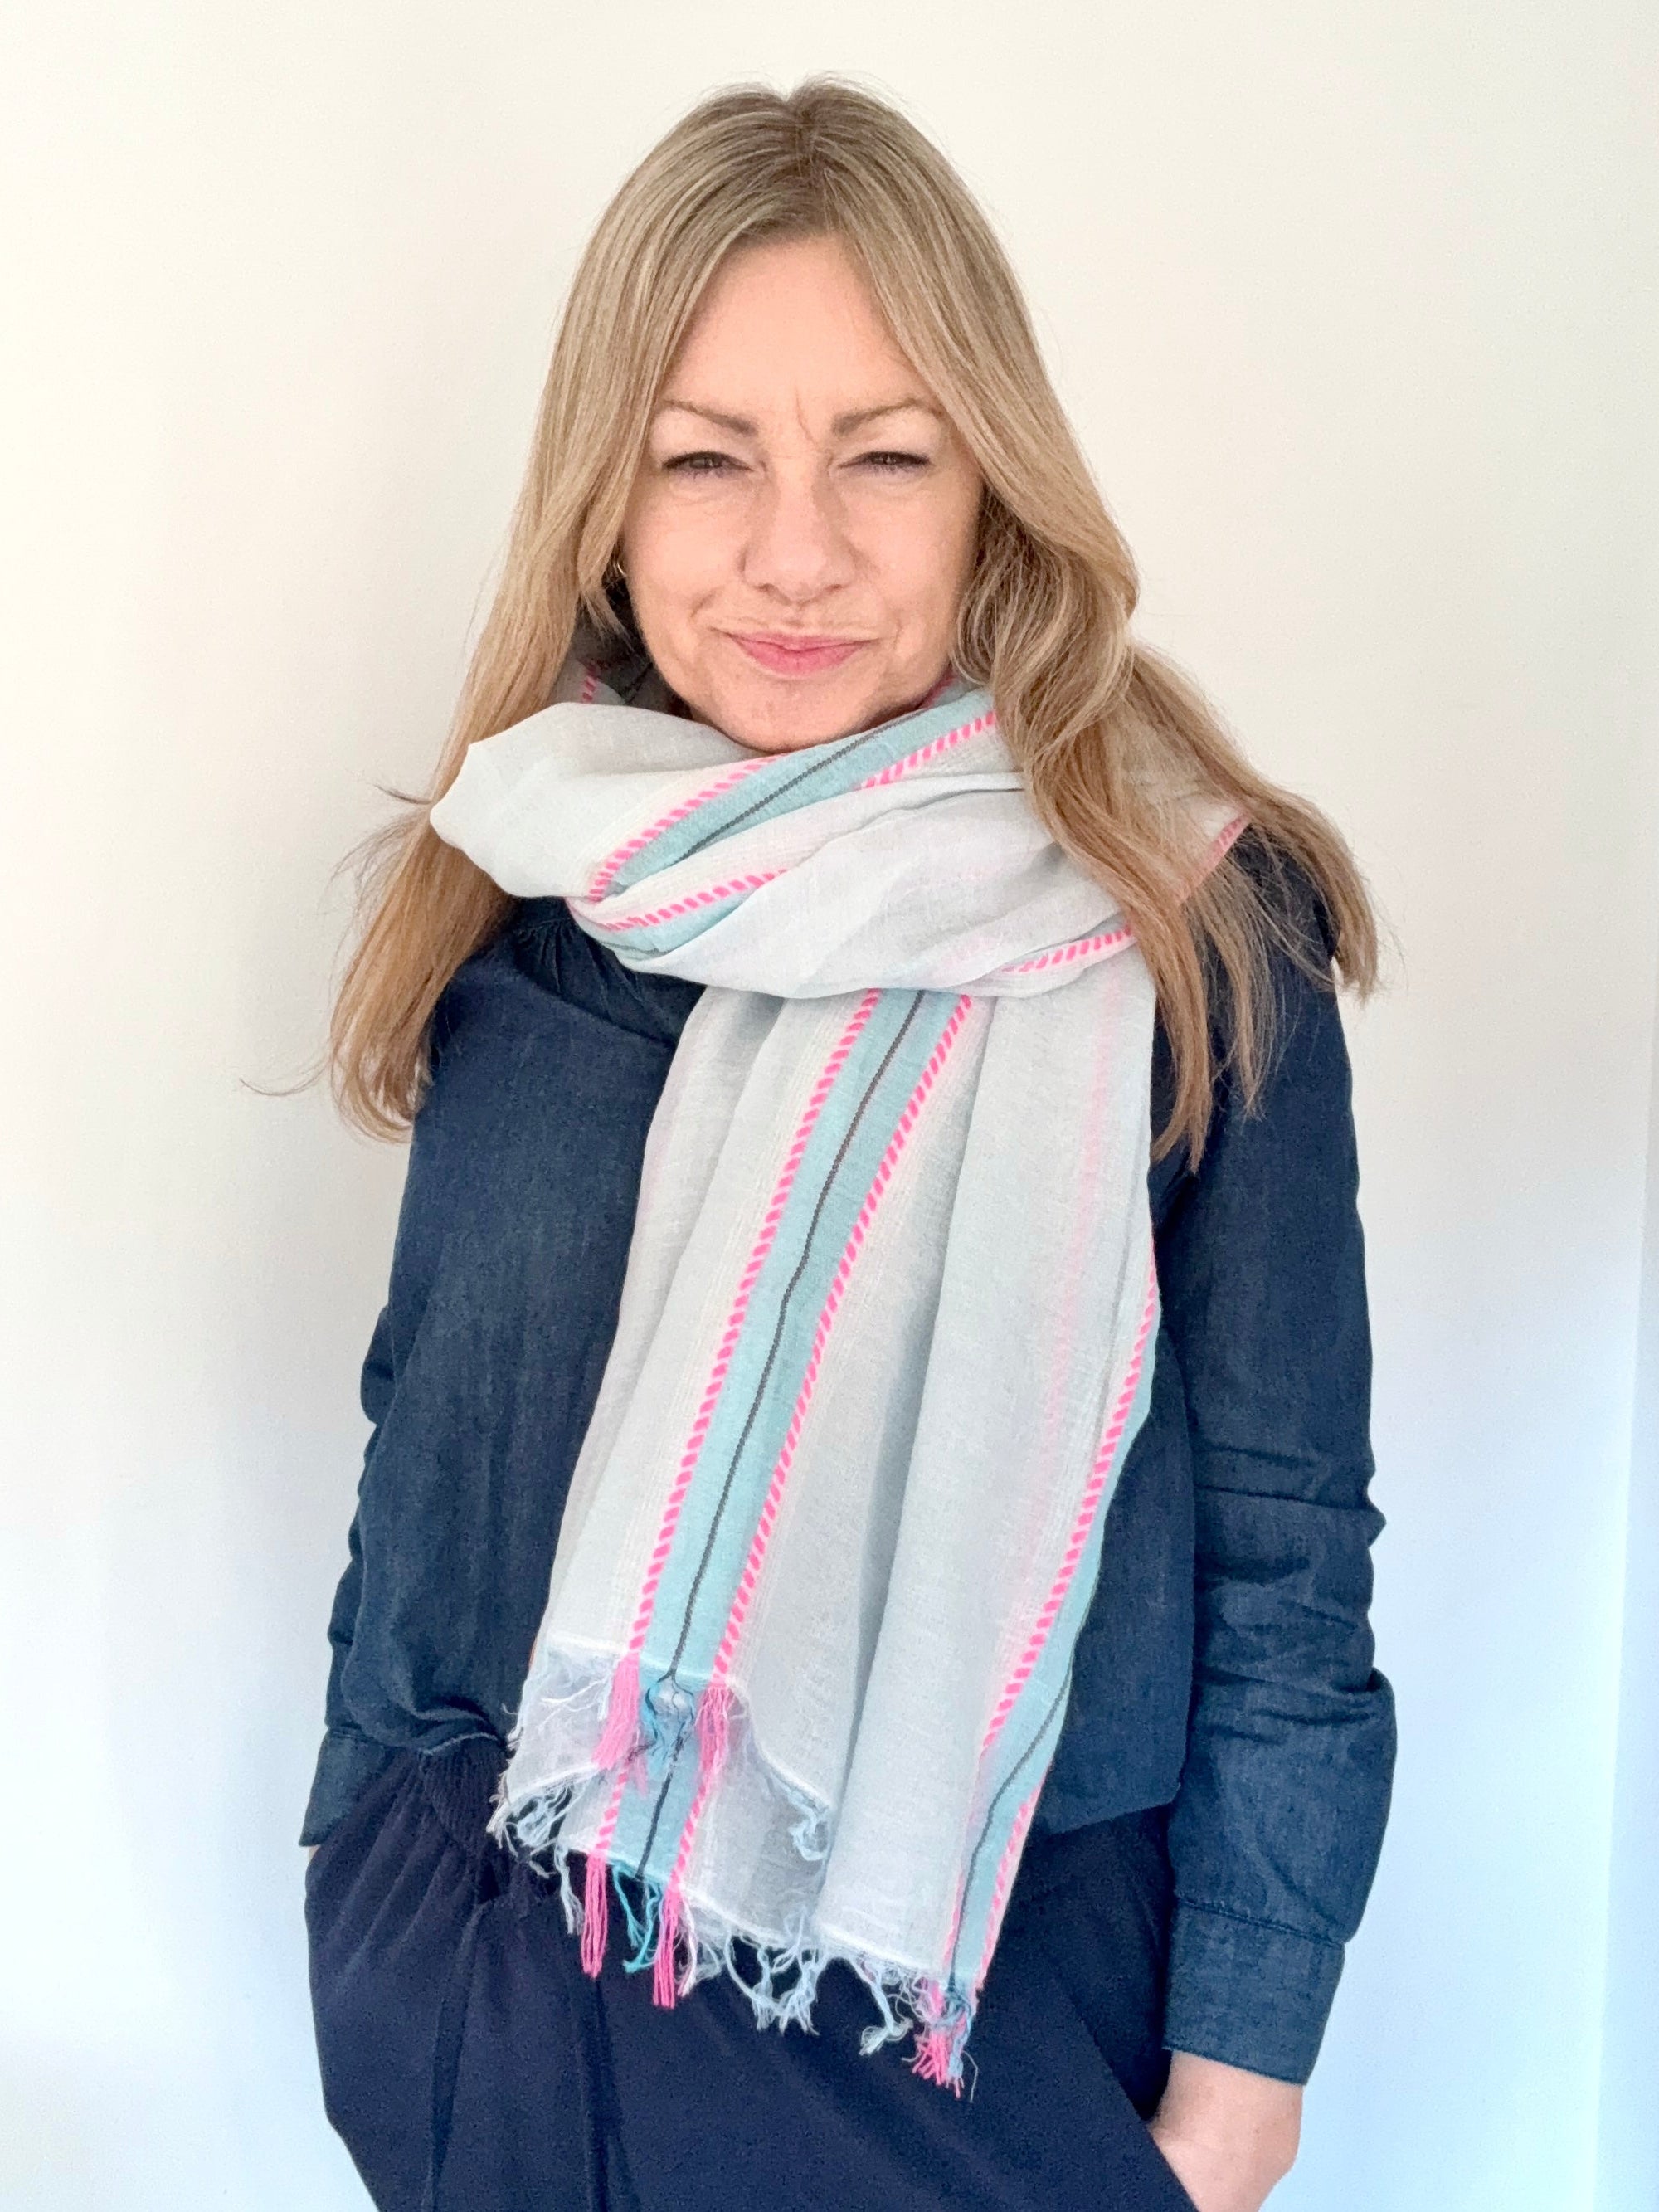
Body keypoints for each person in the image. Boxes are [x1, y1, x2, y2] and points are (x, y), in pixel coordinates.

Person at [300, 76, 1394, 2212]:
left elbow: (1289, 1549)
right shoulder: (529, 872)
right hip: (506, 1993)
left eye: (886, 455)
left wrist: (1238, 2079)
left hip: (971, 1991)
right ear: (605, 503)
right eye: (704, 457)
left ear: (992, 486)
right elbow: (423, 1427)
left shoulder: (1186, 918)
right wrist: (369, 1894)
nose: (793, 552)